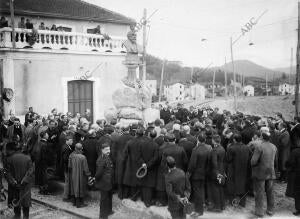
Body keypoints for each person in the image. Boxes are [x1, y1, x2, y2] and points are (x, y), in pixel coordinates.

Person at [251, 127, 277, 217]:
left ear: (262, 137)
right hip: (271, 172)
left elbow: (253, 161)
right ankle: (270, 210)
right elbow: (275, 160)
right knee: (270, 192)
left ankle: (259, 211)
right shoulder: (274, 146)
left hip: (261, 173)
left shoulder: (259, 146)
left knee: (259, 192)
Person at [5, 141, 34, 219]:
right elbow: (30, 171)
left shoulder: (9, 158)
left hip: (14, 185)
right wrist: (24, 180)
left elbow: (7, 173)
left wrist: (13, 181)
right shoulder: (28, 158)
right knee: (25, 203)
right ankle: (25, 217)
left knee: (16, 201)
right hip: (25, 186)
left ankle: (17, 216)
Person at [187, 132, 211, 216]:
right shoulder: (209, 149)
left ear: (198, 140)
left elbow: (192, 164)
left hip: (196, 174)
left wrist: (188, 173)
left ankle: (199, 211)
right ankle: (201, 205)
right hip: (205, 173)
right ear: (204, 140)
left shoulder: (196, 150)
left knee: (197, 192)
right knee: (201, 190)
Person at [226, 133, 251, 207]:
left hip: (233, 169)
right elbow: (250, 157)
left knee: (232, 185)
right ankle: (242, 202)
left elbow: (228, 159)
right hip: (244, 169)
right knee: (242, 185)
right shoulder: (247, 147)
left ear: (234, 140)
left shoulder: (231, 148)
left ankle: (233, 201)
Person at [139, 129, 159, 207]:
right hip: (151, 168)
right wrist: (148, 164)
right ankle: (148, 201)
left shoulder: (142, 143)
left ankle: (143, 198)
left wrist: (143, 163)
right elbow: (155, 158)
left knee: (144, 182)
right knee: (149, 184)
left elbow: (138, 155)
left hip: (143, 166)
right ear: (155, 136)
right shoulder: (156, 145)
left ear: (148, 135)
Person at [68, 143, 92, 208]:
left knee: (74, 187)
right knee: (80, 188)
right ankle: (79, 204)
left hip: (73, 174)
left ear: (75, 148)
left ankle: (74, 202)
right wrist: (89, 175)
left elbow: (69, 166)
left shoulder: (71, 155)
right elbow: (86, 169)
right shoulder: (83, 157)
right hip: (81, 176)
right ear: (81, 149)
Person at [95, 143, 114, 219]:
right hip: (104, 183)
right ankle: (103, 216)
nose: (108, 151)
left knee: (109, 197)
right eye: (106, 150)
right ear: (102, 150)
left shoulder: (107, 157)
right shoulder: (101, 159)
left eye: (109, 149)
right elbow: (99, 173)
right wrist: (95, 178)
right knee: (104, 200)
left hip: (109, 182)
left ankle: (109, 211)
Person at [210, 134, 225, 212]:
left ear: (213, 141)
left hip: (216, 171)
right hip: (221, 170)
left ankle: (217, 206)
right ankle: (222, 205)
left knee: (215, 188)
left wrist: (216, 173)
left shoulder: (214, 150)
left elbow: (214, 163)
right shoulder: (222, 148)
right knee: (220, 188)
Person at [61, 135, 73, 202]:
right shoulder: (67, 148)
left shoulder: (65, 146)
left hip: (65, 167)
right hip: (67, 168)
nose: (72, 142)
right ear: (67, 141)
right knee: (67, 182)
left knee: (67, 182)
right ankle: (65, 197)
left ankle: (67, 195)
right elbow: (65, 159)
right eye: (71, 140)